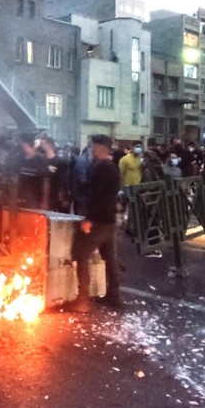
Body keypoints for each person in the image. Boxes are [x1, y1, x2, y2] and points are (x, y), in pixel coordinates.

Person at [62, 134, 122, 313]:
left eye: (93, 147)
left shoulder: (101, 168)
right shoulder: (111, 167)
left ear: (100, 149)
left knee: (80, 254)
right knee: (110, 258)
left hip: (99, 221)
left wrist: (89, 219)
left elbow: (98, 197)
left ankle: (83, 300)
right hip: (109, 220)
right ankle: (114, 296)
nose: (91, 150)